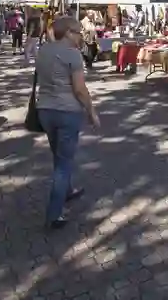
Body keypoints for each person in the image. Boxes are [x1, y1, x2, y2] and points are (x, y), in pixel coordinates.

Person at [35, 16, 100, 229]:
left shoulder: (43, 50)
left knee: (59, 155)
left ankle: (68, 189)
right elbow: (79, 89)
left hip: (45, 109)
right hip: (67, 111)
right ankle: (54, 213)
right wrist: (91, 111)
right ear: (69, 33)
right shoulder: (73, 55)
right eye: (79, 32)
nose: (82, 36)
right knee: (63, 163)